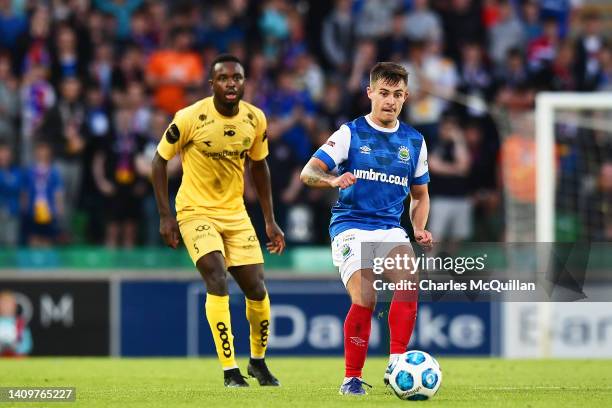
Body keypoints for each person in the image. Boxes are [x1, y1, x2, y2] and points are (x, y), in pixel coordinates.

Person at [151, 54, 285, 387]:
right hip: (195, 210)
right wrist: (166, 215)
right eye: (223, 78)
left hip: (235, 213)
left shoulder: (255, 119)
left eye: (236, 78)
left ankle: (258, 363)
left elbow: (259, 167)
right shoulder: (189, 117)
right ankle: (230, 370)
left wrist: (269, 220)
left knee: (256, 287)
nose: (230, 83)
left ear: (244, 82)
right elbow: (158, 161)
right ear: (211, 84)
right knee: (217, 277)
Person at [300, 62, 432, 395]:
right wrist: (332, 179)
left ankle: (396, 364)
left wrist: (417, 227)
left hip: (390, 229)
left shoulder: (414, 141)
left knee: (409, 284)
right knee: (366, 295)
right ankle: (351, 378)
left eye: (398, 94)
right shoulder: (350, 134)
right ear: (370, 92)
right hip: (351, 227)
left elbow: (420, 195)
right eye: (384, 93)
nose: (391, 101)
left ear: (406, 97)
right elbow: (308, 173)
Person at [0, 291, 32, 357]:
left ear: (14, 306)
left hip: (16, 357)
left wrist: (17, 349)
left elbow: (26, 344)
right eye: (3, 304)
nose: (6, 307)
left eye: (8, 304)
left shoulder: (20, 323)